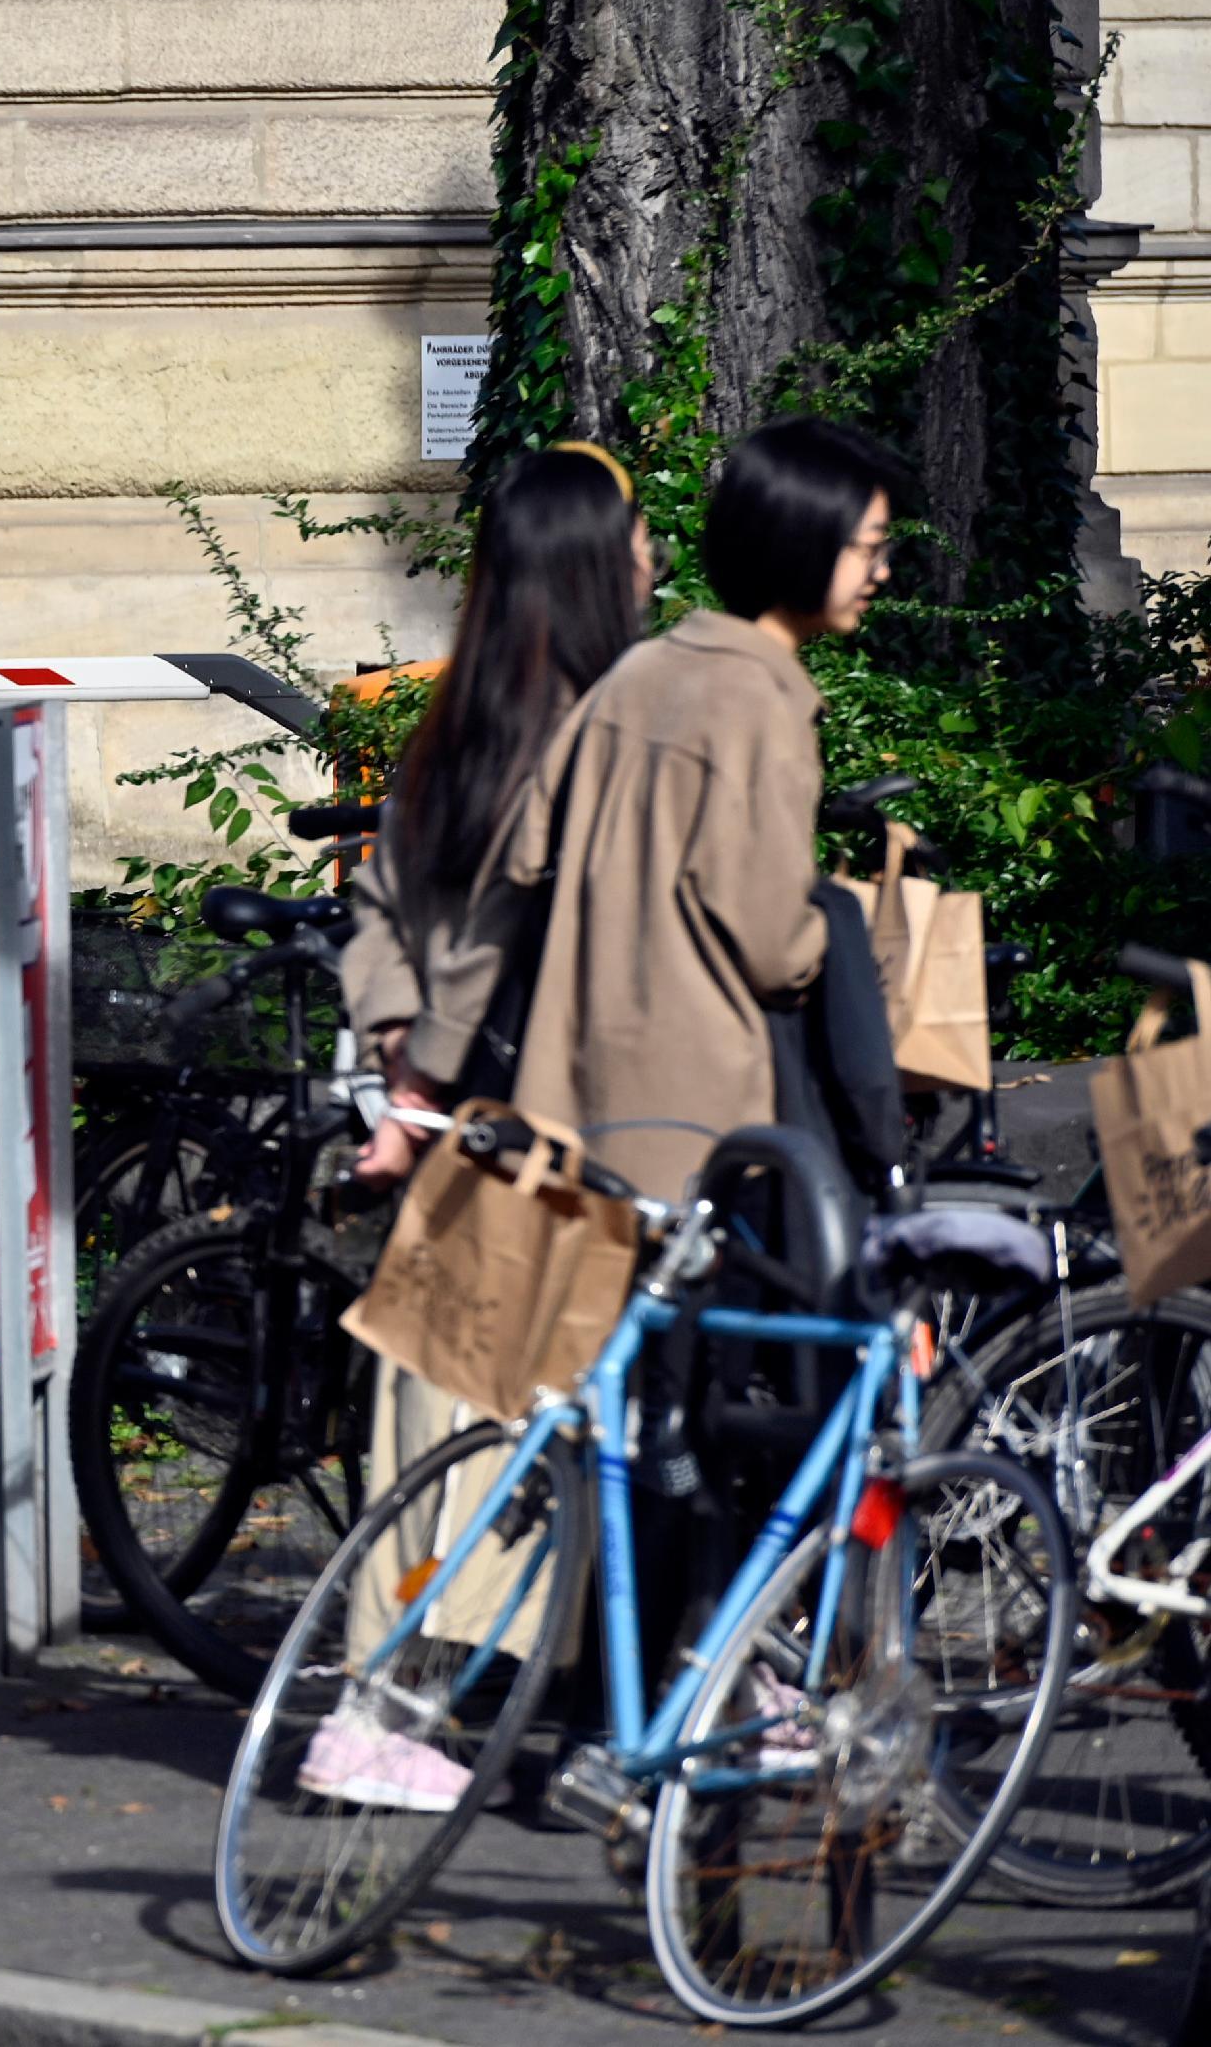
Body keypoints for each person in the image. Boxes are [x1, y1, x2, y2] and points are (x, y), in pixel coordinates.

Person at [311, 445, 651, 1805]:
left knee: (448, 1421)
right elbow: (532, 948)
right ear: (586, 563)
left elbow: (384, 913)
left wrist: (404, 1080)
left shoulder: (461, 720)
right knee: (498, 1439)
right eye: (632, 539)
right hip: (538, 1133)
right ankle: (385, 1714)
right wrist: (433, 1082)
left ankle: (439, 1710)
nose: (649, 559)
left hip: (458, 1129)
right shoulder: (593, 735)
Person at [499, 415, 904, 1200]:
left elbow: (525, 853)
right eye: (869, 546)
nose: (881, 572)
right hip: (703, 1109)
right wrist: (840, 918)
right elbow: (774, 947)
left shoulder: (639, 671)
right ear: (802, 538)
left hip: (576, 1087)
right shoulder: (760, 704)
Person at [342, 443, 654, 1186]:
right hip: (556, 1126)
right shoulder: (610, 734)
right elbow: (498, 933)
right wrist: (419, 1076)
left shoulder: (454, 731)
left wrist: (395, 1035)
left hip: (446, 1113)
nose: (651, 574)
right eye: (642, 551)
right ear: (597, 571)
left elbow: (380, 896)